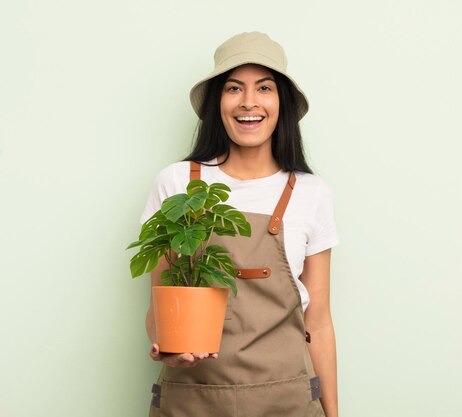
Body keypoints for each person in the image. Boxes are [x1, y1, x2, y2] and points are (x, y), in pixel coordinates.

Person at [140, 32, 339, 417]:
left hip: (287, 401)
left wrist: (333, 414)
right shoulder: (176, 183)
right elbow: (158, 301)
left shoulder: (312, 193)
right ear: (218, 103)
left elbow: (319, 320)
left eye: (264, 88)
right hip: (190, 400)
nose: (249, 102)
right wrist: (165, 345)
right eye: (234, 88)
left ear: (281, 102)